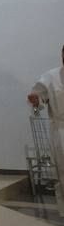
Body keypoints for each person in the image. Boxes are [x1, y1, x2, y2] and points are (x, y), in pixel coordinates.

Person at [28, 45, 64, 206]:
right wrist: (36, 102)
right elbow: (37, 101)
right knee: (62, 172)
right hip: (61, 130)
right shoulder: (50, 77)